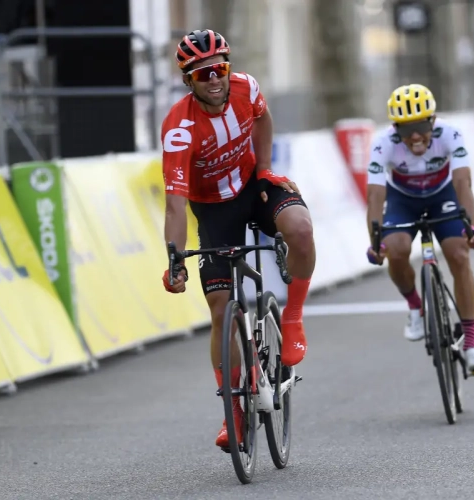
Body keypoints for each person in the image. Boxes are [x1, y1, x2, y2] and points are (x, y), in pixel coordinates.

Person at [160, 29, 315, 450]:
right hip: (213, 208)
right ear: (188, 80)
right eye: (202, 73)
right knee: (219, 309)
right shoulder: (179, 128)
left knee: (299, 228)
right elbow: (175, 204)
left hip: (253, 186)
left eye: (220, 69)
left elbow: (263, 119)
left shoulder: (248, 88)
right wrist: (174, 260)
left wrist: (264, 167)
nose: (214, 79)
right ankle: (234, 412)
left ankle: (294, 318)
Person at [365, 83, 474, 376]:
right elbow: (375, 196)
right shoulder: (384, 143)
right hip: (402, 199)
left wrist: (471, 227)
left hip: (442, 195)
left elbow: (462, 185)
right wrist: (374, 241)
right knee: (395, 249)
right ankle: (416, 306)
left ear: (432, 120)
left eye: (421, 125)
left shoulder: (451, 134)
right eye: (406, 129)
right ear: (396, 128)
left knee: (458, 253)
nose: (416, 135)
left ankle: (471, 344)